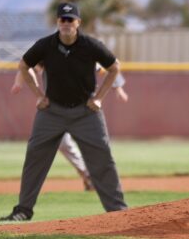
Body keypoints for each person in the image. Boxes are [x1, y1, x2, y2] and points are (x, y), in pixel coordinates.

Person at [0, 2, 128, 221]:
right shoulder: (45, 45)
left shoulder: (90, 45)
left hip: (85, 111)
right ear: (57, 22)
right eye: (63, 19)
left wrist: (99, 99)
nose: (66, 23)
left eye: (71, 20)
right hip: (52, 111)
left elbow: (114, 66)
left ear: (78, 22)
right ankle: (23, 210)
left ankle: (118, 212)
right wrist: (39, 95)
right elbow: (23, 65)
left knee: (102, 158)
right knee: (35, 157)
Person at [10, 64, 129, 192]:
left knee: (96, 145)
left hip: (83, 109)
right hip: (56, 109)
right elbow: (27, 66)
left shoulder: (83, 53)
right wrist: (19, 83)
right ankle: (89, 176)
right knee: (63, 143)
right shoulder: (50, 53)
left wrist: (118, 88)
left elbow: (108, 68)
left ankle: (108, 184)